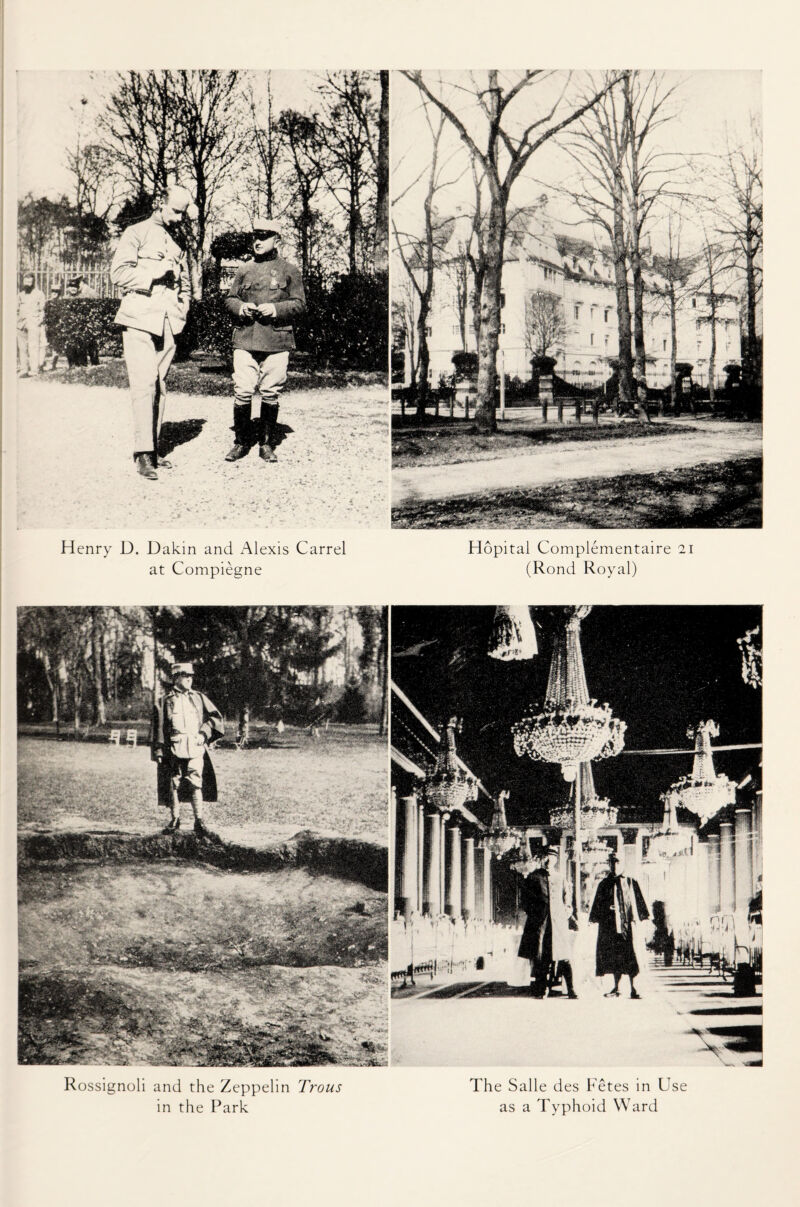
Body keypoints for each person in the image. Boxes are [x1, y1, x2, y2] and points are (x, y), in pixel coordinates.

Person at [110, 186, 194, 480]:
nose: (180, 217)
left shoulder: (178, 239)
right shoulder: (136, 232)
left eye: (184, 212)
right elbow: (118, 273)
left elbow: (184, 284)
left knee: (159, 385)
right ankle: (142, 453)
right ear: (161, 204)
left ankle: (154, 450)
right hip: (139, 319)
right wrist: (154, 272)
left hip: (168, 322)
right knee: (144, 383)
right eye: (176, 211)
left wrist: (182, 308)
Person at [223, 217, 306, 463]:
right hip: (246, 338)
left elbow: (300, 304)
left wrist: (276, 309)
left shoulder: (290, 270)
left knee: (270, 392)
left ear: (276, 240)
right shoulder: (244, 269)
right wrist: (240, 307)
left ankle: (266, 444)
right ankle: (240, 443)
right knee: (242, 390)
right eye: (255, 237)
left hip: (276, 340)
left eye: (263, 237)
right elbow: (229, 299)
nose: (257, 242)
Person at [150, 662, 225, 840]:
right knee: (173, 783)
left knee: (195, 782)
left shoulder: (199, 698)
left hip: (196, 746)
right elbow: (158, 728)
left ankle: (199, 821)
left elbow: (215, 717)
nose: (190, 679)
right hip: (174, 748)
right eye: (186, 676)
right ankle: (175, 819)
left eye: (191, 676)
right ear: (176, 678)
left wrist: (204, 734)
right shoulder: (164, 701)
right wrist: (159, 751)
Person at [518, 846, 578, 999]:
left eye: (551, 857)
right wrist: (535, 914)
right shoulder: (532, 878)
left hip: (558, 923)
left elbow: (568, 901)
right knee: (541, 956)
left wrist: (566, 911)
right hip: (540, 924)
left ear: (556, 860)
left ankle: (571, 989)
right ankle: (542, 989)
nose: (548, 860)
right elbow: (525, 901)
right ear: (541, 859)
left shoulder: (561, 878)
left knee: (564, 956)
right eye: (545, 857)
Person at [589, 851, 649, 998]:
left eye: (617, 863)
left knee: (631, 956)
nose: (615, 866)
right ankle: (617, 988)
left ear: (622, 864)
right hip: (609, 928)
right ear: (609, 864)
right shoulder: (603, 884)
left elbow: (639, 903)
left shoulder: (630, 882)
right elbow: (597, 907)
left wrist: (643, 918)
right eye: (612, 863)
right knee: (614, 957)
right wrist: (606, 909)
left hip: (627, 927)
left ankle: (634, 989)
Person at [17, 271, 46, 377]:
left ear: (33, 282)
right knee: (22, 347)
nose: (27, 284)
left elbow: (42, 310)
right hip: (21, 324)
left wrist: (39, 321)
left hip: (34, 323)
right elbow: (16, 309)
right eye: (26, 281)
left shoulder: (39, 294)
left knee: (33, 346)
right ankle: (24, 369)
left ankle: (34, 369)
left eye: (30, 281)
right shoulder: (20, 295)